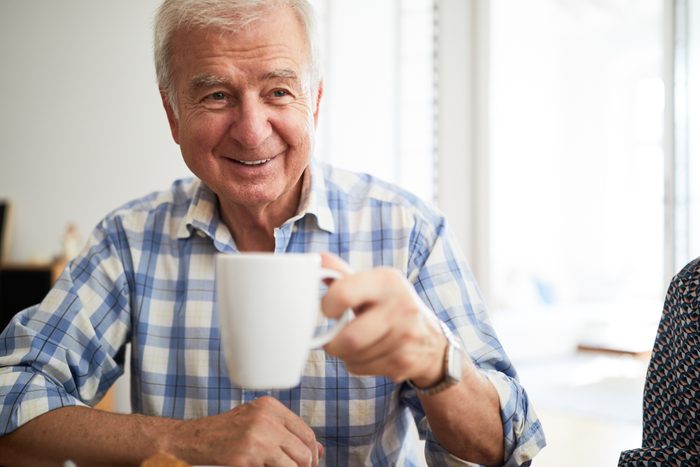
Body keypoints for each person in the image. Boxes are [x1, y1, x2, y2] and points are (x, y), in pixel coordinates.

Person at [0, 0, 545, 465]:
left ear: (316, 102)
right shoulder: (129, 238)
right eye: (216, 95)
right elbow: (9, 397)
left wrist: (439, 363)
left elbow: (508, 448)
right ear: (173, 115)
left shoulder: (406, 231)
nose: (252, 130)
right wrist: (182, 440)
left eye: (279, 91)